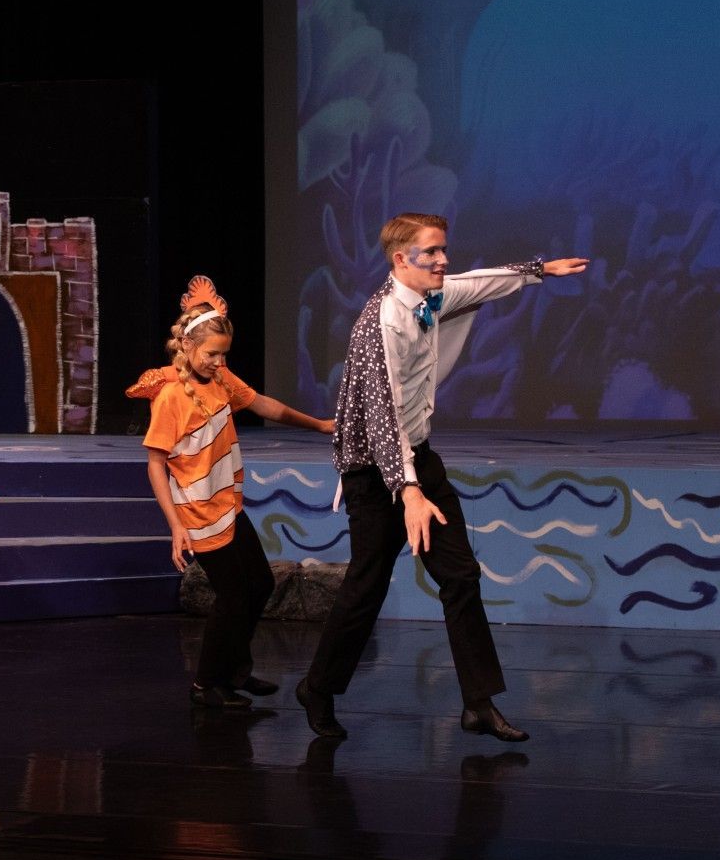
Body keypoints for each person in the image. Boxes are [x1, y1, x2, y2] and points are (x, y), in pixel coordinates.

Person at [297, 214, 587, 741]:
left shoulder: (431, 294)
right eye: (431, 253)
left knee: (461, 575)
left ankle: (478, 703)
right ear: (400, 259)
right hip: (373, 472)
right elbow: (381, 418)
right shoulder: (380, 324)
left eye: (443, 250)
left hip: (417, 459)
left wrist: (539, 270)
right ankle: (317, 687)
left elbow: (480, 281)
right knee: (366, 587)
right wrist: (407, 491)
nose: (443, 260)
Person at [128, 276, 332, 708]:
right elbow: (155, 465)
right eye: (211, 354)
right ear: (186, 347)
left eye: (224, 355)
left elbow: (263, 404)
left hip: (227, 506)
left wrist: (318, 426)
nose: (219, 362)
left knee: (258, 584)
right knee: (235, 594)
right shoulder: (170, 398)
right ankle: (206, 684)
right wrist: (176, 526)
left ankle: (236, 672)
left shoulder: (219, 379)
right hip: (198, 514)